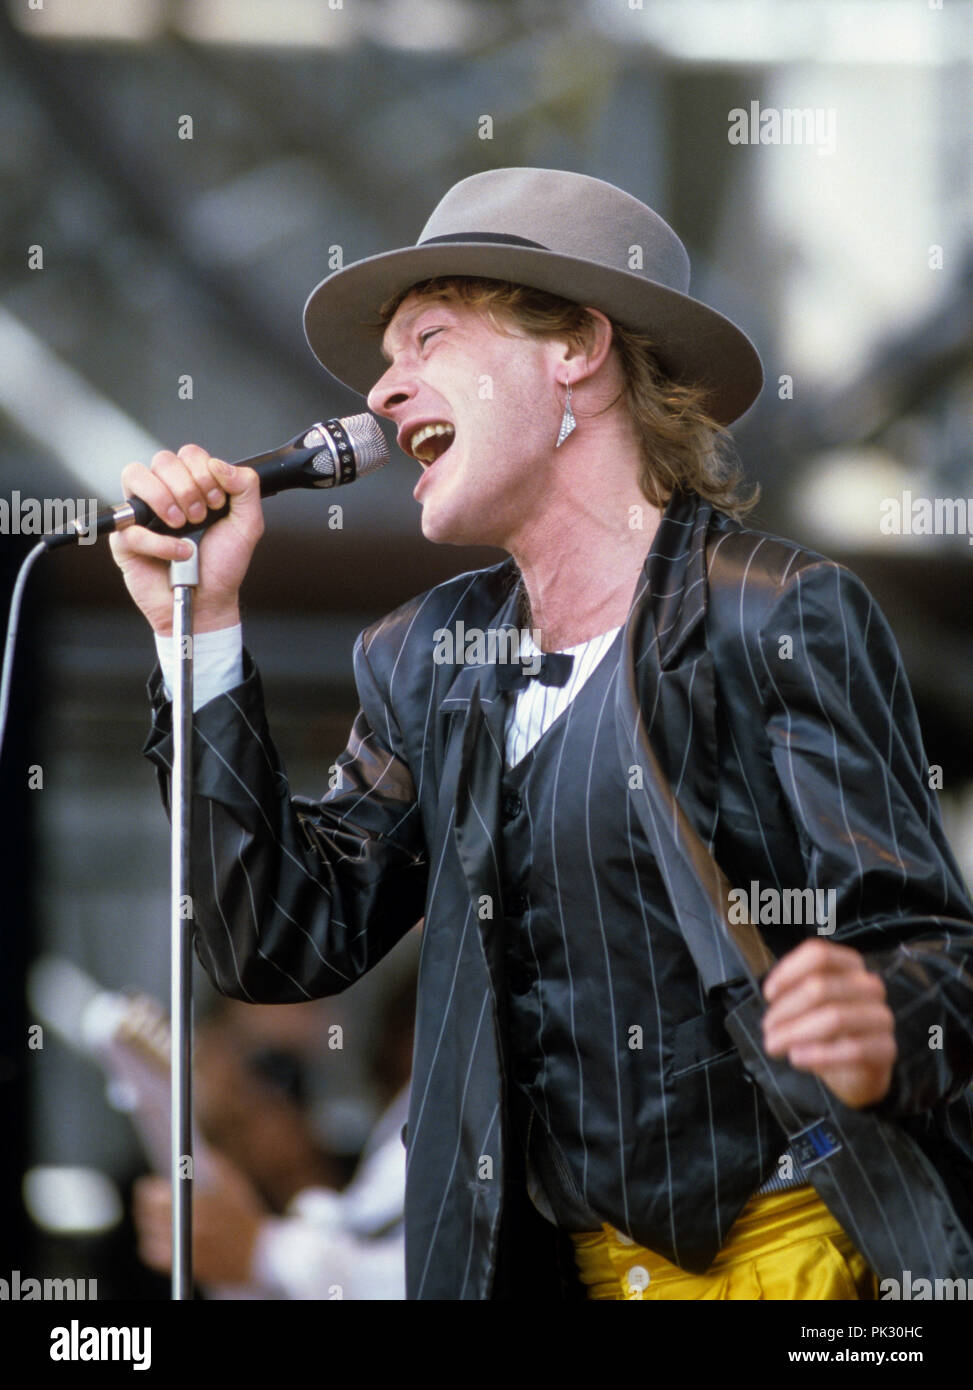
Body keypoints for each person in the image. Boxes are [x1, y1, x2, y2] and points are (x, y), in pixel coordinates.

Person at [109, 168, 973, 1301]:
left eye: (428, 338)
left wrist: (882, 1022)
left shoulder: (769, 611)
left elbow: (935, 951)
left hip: (802, 1268)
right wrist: (200, 629)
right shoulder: (427, 656)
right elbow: (280, 935)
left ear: (576, 349)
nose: (381, 391)